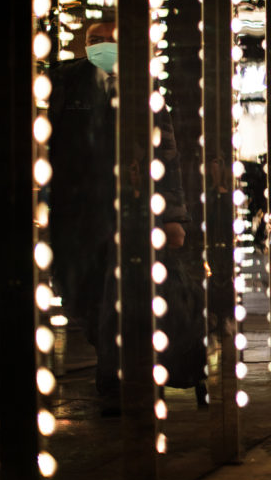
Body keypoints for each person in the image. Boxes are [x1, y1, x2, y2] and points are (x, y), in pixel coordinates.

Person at [49, 21, 194, 413]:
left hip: (129, 209)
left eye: (110, 40)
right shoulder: (64, 80)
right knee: (81, 293)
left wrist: (173, 216)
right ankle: (116, 365)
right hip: (78, 212)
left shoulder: (143, 87)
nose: (101, 46)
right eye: (94, 40)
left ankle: (120, 376)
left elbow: (167, 154)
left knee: (125, 294)